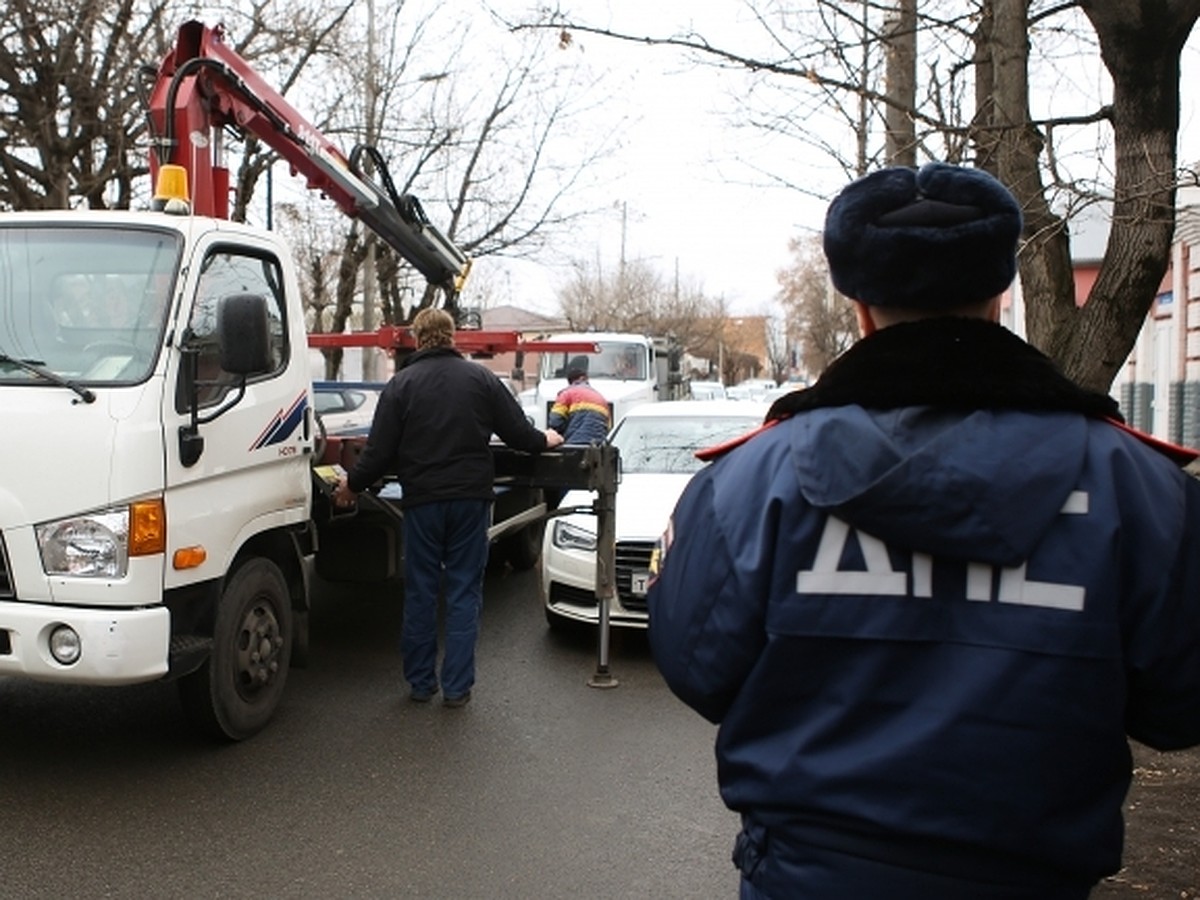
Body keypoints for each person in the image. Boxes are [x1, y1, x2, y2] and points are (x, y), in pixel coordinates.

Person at [646, 162, 1200, 899]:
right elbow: (1178, 704)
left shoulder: (752, 482)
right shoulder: (1138, 487)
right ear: (1000, 296)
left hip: (808, 878)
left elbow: (698, 667)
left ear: (861, 309)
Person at [333, 308, 563, 707]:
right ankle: (457, 688)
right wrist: (547, 439)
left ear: (419, 339)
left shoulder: (401, 384)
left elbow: (379, 451)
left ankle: (421, 684)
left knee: (421, 591)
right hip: (471, 501)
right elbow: (519, 435)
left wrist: (351, 486)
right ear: (452, 337)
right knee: (463, 592)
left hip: (423, 503)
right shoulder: (482, 380)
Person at [548, 355, 611, 444]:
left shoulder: (566, 393)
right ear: (584, 378)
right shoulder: (602, 399)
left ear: (570, 382)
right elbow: (608, 428)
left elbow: (555, 421)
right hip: (597, 449)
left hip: (574, 446)